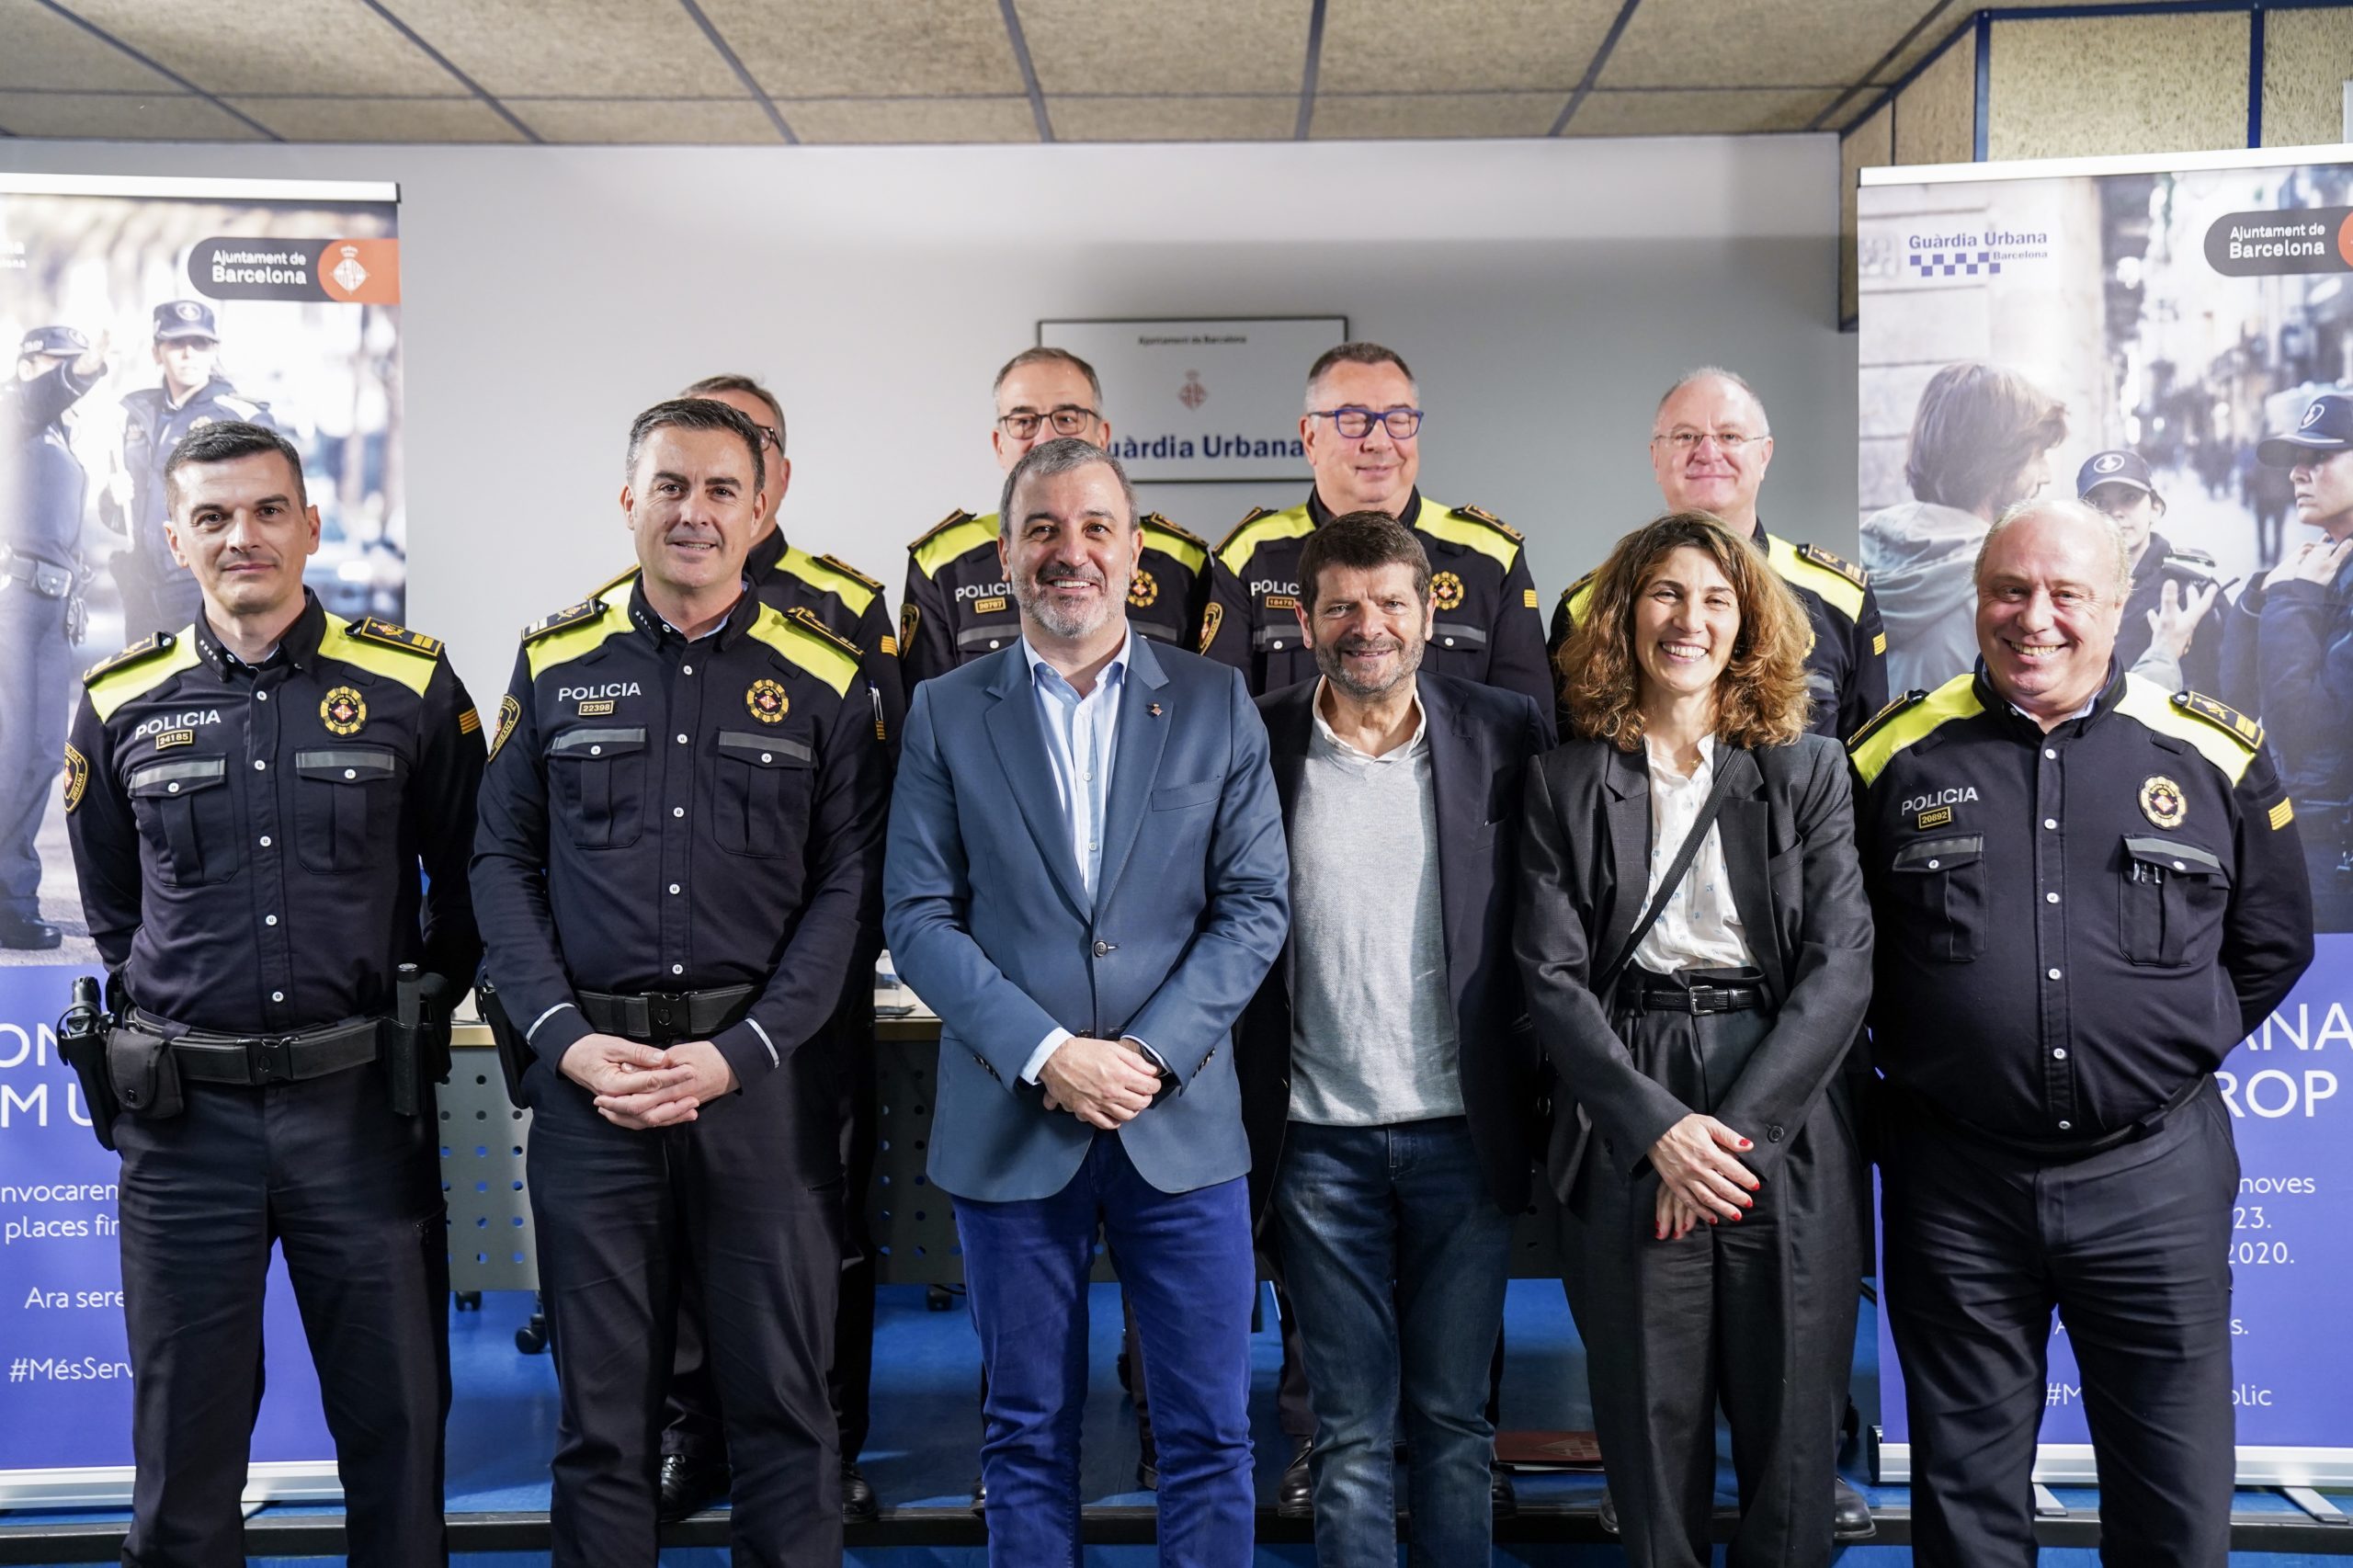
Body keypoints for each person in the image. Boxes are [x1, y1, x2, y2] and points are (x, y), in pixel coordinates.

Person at [1852, 497, 2313, 1567]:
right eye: (2009, 590)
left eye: (2066, 593)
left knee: (2174, 1504)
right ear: (1976, 599)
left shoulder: (2212, 752)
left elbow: (2271, 943)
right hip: (1954, 1184)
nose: (2035, 618)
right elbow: (1842, 952)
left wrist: (2156, 1048)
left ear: (2118, 603)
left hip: (2152, 1177)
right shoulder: (1888, 757)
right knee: (1965, 1503)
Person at [472, 397, 887, 1567]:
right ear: (628, 501)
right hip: (592, 1090)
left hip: (761, 1094)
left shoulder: (826, 674)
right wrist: (562, 1036)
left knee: (786, 1414)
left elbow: (850, 891)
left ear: (761, 510)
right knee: (603, 1426)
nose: (693, 512)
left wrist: (737, 1053)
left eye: (719, 490)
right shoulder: (554, 661)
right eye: (669, 486)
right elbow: (498, 861)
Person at [63, 420, 483, 1568]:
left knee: (397, 1427)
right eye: (211, 516)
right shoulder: (119, 698)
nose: (240, 535)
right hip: (183, 1127)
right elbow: (115, 909)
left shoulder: (410, 683)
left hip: (360, 1111)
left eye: (265, 510)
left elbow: (472, 879)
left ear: (309, 524)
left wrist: (412, 1008)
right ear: (174, 539)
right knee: (183, 1449)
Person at [883, 437, 1287, 1567]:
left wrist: (1148, 1055)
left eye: (1096, 527)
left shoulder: (1213, 701)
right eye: (1044, 529)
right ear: (1006, 554)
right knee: (1023, 1433)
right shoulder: (945, 712)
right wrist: (1048, 1051)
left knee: (1208, 1433)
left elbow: (1255, 905)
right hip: (1014, 1121)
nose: (1072, 552)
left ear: (1135, 549)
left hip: (1182, 1124)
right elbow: (917, 915)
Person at [1201, 339, 1548, 1507]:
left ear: (1426, 609)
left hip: (1458, 1114)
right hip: (1315, 1121)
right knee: (1345, 1427)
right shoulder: (1252, 627)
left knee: (1453, 1417)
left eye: (1397, 415)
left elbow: (1536, 850)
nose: (1368, 624)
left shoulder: (1491, 628)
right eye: (1349, 417)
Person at [1517, 511, 1873, 1568]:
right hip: (1630, 1088)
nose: (1690, 619)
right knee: (1647, 1416)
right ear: (1625, 613)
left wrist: (1732, 1141)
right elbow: (1549, 975)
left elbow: (1841, 966)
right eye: (1667, 593)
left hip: (1781, 1093)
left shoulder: (1807, 768)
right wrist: (1659, 1133)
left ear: (1748, 621)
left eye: (1717, 598)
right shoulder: (1565, 779)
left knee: (1792, 1428)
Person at [647, 371, 903, 1526]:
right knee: (675, 1230)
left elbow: (882, 797)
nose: (704, 499)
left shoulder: (845, 607)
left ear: (775, 479)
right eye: (685, 471)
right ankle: (690, 1430)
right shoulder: (627, 605)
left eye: (743, 454)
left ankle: (827, 1439)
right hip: (666, 994)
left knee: (821, 1225)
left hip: (807, 995)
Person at [1201, 341, 1551, 716]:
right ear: (1310, 437)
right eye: (1353, 420)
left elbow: (1529, 723)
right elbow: (1220, 719)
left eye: (1398, 420)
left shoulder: (1489, 556)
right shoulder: (1251, 555)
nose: (1380, 442)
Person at [1552, 369, 1887, 743]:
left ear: (1764, 455)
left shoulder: (1842, 600)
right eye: (1685, 436)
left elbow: (1868, 763)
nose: (1708, 453)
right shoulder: (1586, 607)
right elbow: (1568, 757)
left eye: (1730, 436)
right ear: (1656, 457)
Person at [903, 347, 1209, 684]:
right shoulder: (942, 563)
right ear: (999, 444)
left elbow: (1201, 693)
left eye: (1067, 418)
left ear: (1102, 436)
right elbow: (932, 704)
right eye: (1024, 421)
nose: (1046, 438)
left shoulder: (1182, 561)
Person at [1860, 361, 2066, 696]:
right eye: (2038, 455)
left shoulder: (1860, 554)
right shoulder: (2007, 591)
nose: (2046, 475)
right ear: (2000, 460)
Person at [2222, 391, 2353, 910]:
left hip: (2336, 847)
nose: (2298, 473)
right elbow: (2237, 696)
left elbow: (2300, 727)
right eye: (2297, 459)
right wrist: (2261, 599)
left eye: (2319, 457)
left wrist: (2291, 600)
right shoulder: (2325, 559)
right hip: (2310, 833)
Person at [2, 324, 106, 949]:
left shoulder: (59, 433)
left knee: (40, 755)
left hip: (50, 608)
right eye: (55, 362)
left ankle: (12, 901)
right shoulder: (14, 410)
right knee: (10, 753)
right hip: (12, 602)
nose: (64, 372)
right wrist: (83, 370)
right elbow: (38, 398)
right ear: (27, 365)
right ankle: (12, 903)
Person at [113, 301, 278, 641]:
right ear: (156, 352)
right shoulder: (137, 415)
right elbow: (131, 513)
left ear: (213, 350)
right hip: (143, 585)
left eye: (200, 343)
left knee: (205, 674)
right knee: (144, 675)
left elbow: (272, 504)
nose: (189, 353)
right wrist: (111, 499)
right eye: (176, 343)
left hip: (203, 583)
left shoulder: (240, 416)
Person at [2075, 449, 2229, 698]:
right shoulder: (2066, 586)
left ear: (2155, 508)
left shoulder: (2189, 587)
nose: (2116, 512)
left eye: (2129, 498)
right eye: (2099, 503)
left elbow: (2225, 684)